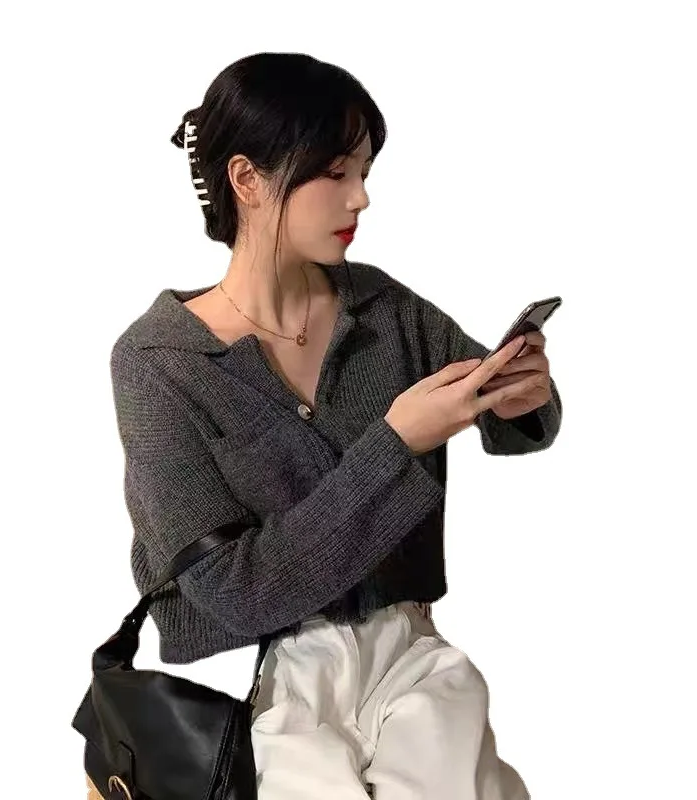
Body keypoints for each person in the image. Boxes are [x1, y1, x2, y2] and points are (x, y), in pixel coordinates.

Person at [109, 52, 562, 799]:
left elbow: (504, 410)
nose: (361, 197)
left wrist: (522, 398)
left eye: (365, 171)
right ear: (247, 179)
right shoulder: (161, 362)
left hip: (410, 663)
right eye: (335, 173)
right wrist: (397, 444)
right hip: (259, 684)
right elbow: (237, 592)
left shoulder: (382, 309)